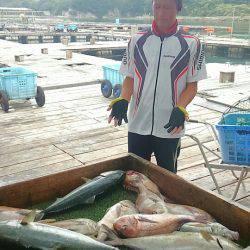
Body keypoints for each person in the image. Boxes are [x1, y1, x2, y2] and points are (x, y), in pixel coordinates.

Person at [108, 0, 207, 173]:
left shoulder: (192, 43)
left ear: (178, 8)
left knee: (168, 179)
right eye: (157, 7)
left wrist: (180, 107)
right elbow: (130, 77)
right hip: (138, 123)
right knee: (135, 175)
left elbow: (192, 86)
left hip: (170, 125)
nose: (162, 13)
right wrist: (123, 99)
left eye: (168, 7)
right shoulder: (136, 40)